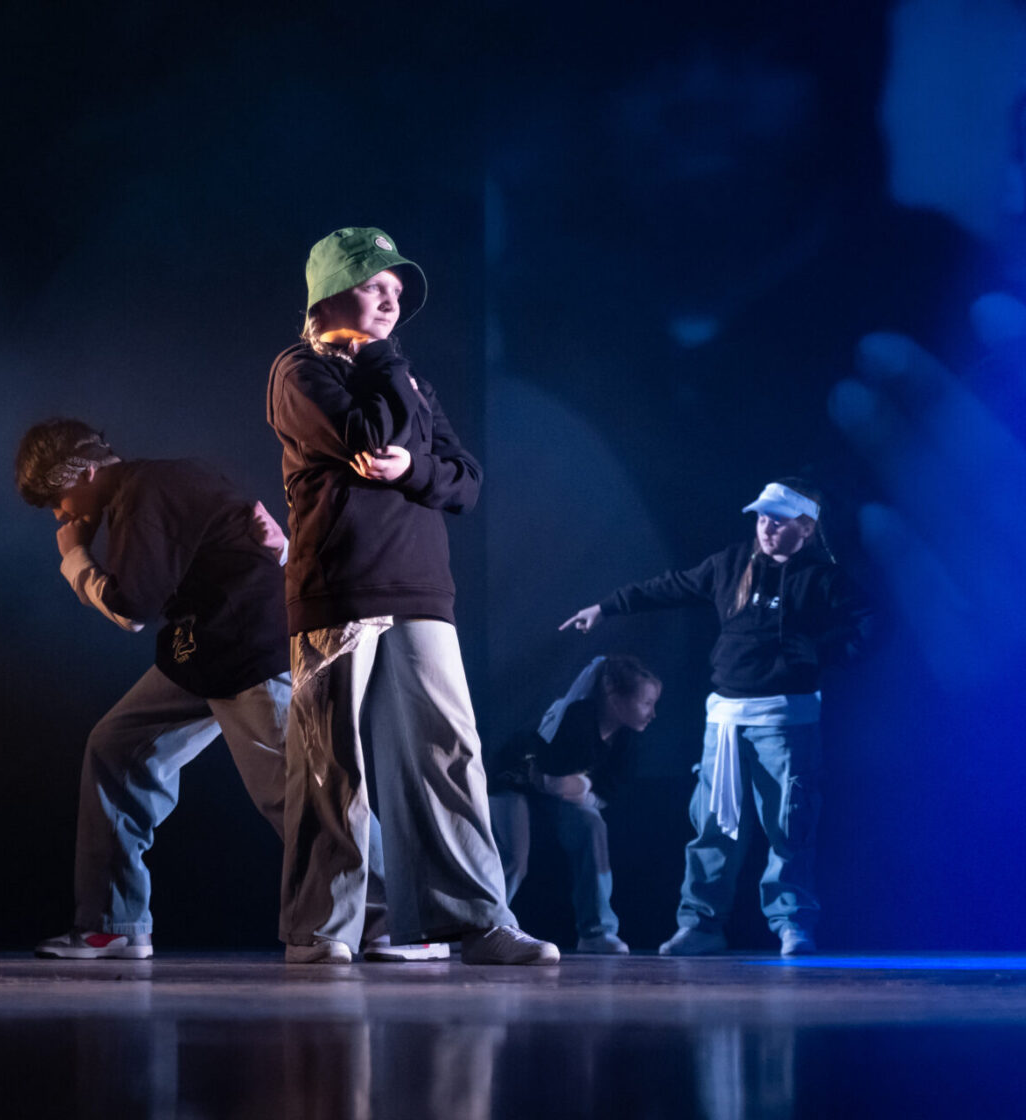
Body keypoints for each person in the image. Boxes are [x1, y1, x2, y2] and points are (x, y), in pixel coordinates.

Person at [15, 419, 427, 961]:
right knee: (116, 748)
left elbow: (132, 609)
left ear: (86, 472)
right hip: (203, 652)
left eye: (58, 499)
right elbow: (258, 535)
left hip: (247, 652)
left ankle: (400, 922)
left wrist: (74, 557)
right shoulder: (160, 483)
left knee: (302, 790)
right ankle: (113, 923)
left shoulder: (143, 494)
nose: (60, 515)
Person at [266, 226, 558, 965]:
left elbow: (465, 479)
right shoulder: (299, 370)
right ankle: (322, 928)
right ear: (330, 294)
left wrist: (412, 470)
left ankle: (474, 921)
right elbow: (364, 434)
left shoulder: (407, 379)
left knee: (448, 751)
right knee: (332, 762)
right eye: (375, 285)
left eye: (398, 290)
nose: (392, 300)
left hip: (422, 586)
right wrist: (384, 371)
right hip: (340, 585)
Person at [560, 480, 875, 956]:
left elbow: (868, 623)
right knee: (713, 825)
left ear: (806, 528)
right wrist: (606, 608)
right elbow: (669, 586)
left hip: (785, 723)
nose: (767, 528)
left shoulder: (821, 578)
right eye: (762, 518)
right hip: (725, 720)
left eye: (779, 521)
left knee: (790, 827)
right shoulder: (731, 565)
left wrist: (819, 653)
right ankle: (703, 924)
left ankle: (792, 922)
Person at [487, 655, 661, 954]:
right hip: (512, 784)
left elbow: (607, 790)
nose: (652, 713)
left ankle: (596, 931)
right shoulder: (576, 719)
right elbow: (551, 780)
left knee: (592, 825)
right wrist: (575, 786)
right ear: (614, 696)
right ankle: (484, 925)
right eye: (646, 703)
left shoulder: (627, 737)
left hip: (552, 794)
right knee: (515, 857)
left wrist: (581, 787)